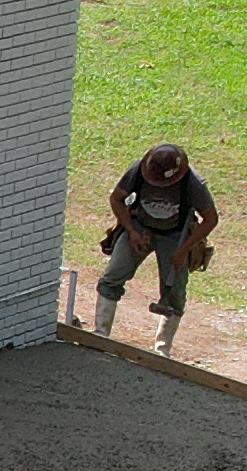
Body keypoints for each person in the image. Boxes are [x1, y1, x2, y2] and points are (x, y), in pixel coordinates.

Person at [93, 142, 217, 339]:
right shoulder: (139, 170)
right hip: (140, 227)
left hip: (175, 235)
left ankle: (162, 349)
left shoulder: (193, 184)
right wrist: (132, 232)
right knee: (113, 276)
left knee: (174, 292)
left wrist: (184, 249)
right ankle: (101, 333)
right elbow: (117, 198)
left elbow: (210, 218)